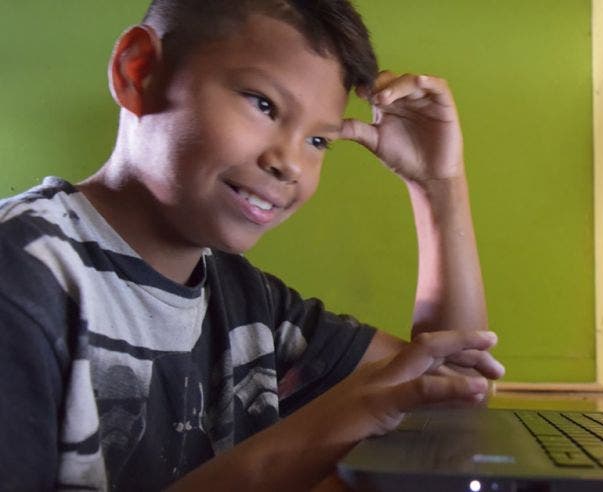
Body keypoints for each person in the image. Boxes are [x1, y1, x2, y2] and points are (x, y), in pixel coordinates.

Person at [0, 1, 504, 490]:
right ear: (139, 70)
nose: (289, 163)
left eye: (319, 141)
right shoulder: (24, 273)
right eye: (263, 105)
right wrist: (323, 429)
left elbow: (450, 390)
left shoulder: (246, 301)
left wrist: (438, 184)